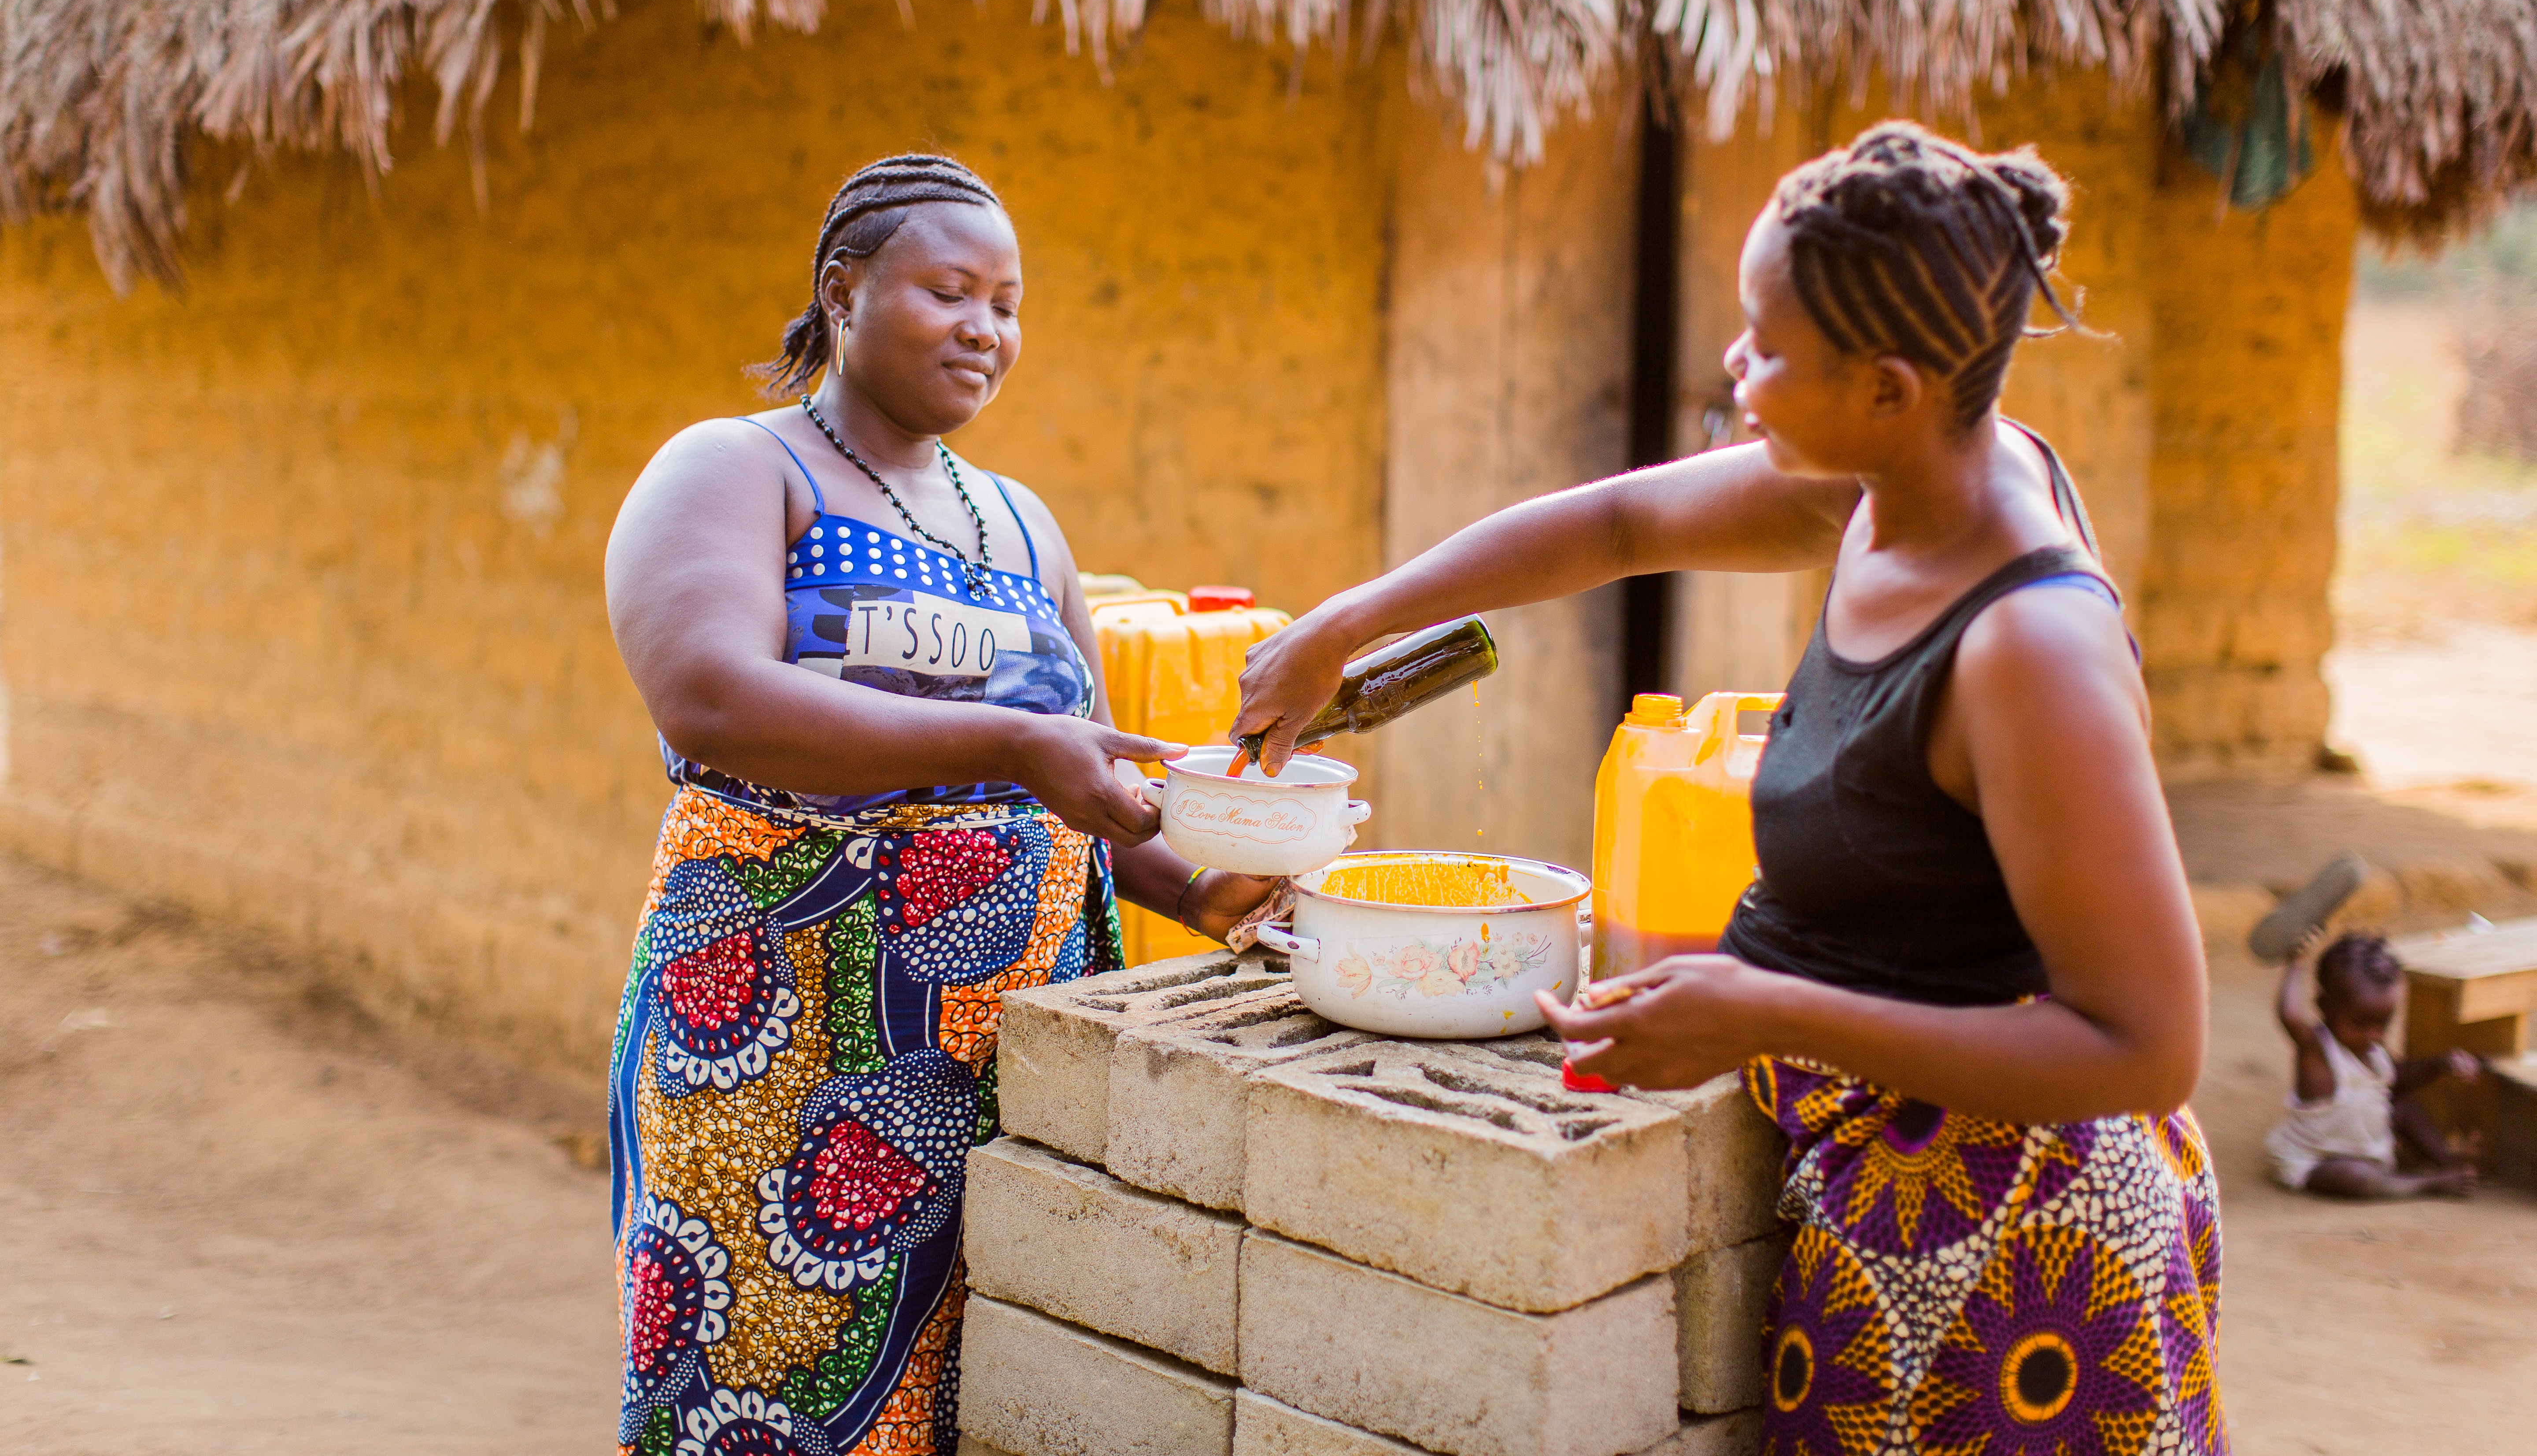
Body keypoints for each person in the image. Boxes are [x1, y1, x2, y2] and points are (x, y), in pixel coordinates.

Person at [1234, 122, 2224, 1452]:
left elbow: (2144, 1043)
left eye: (1766, 346)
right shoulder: (1886, 490)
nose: (1735, 367)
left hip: (2023, 1250)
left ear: (1887, 386)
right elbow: (1618, 525)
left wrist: (1763, 1008)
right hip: (1886, 1197)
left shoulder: (2026, 647)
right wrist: (1344, 624)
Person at [601, 155, 1273, 1456]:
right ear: (844, 292)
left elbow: (1070, 774)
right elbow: (709, 696)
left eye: (1008, 302)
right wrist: (1019, 743)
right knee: (771, 1385)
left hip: (1006, 1056)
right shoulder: (745, 469)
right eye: (951, 290)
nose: (988, 328)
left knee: (984, 1394)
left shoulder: (1025, 528)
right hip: (786, 1043)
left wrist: (1201, 884)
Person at [2267, 931, 2481, 1197]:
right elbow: (2289, 1016)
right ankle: (2429, 1185)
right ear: (2325, 1006)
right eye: (2360, 1024)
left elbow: (2401, 1078)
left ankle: (2448, 1161)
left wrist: (2441, 1064)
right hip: (2321, 1162)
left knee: (2404, 1108)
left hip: (2373, 1149)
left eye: (2382, 1025)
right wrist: (2296, 962)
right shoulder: (2318, 1053)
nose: (2373, 1035)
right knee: (2355, 1178)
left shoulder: (2374, 1051)